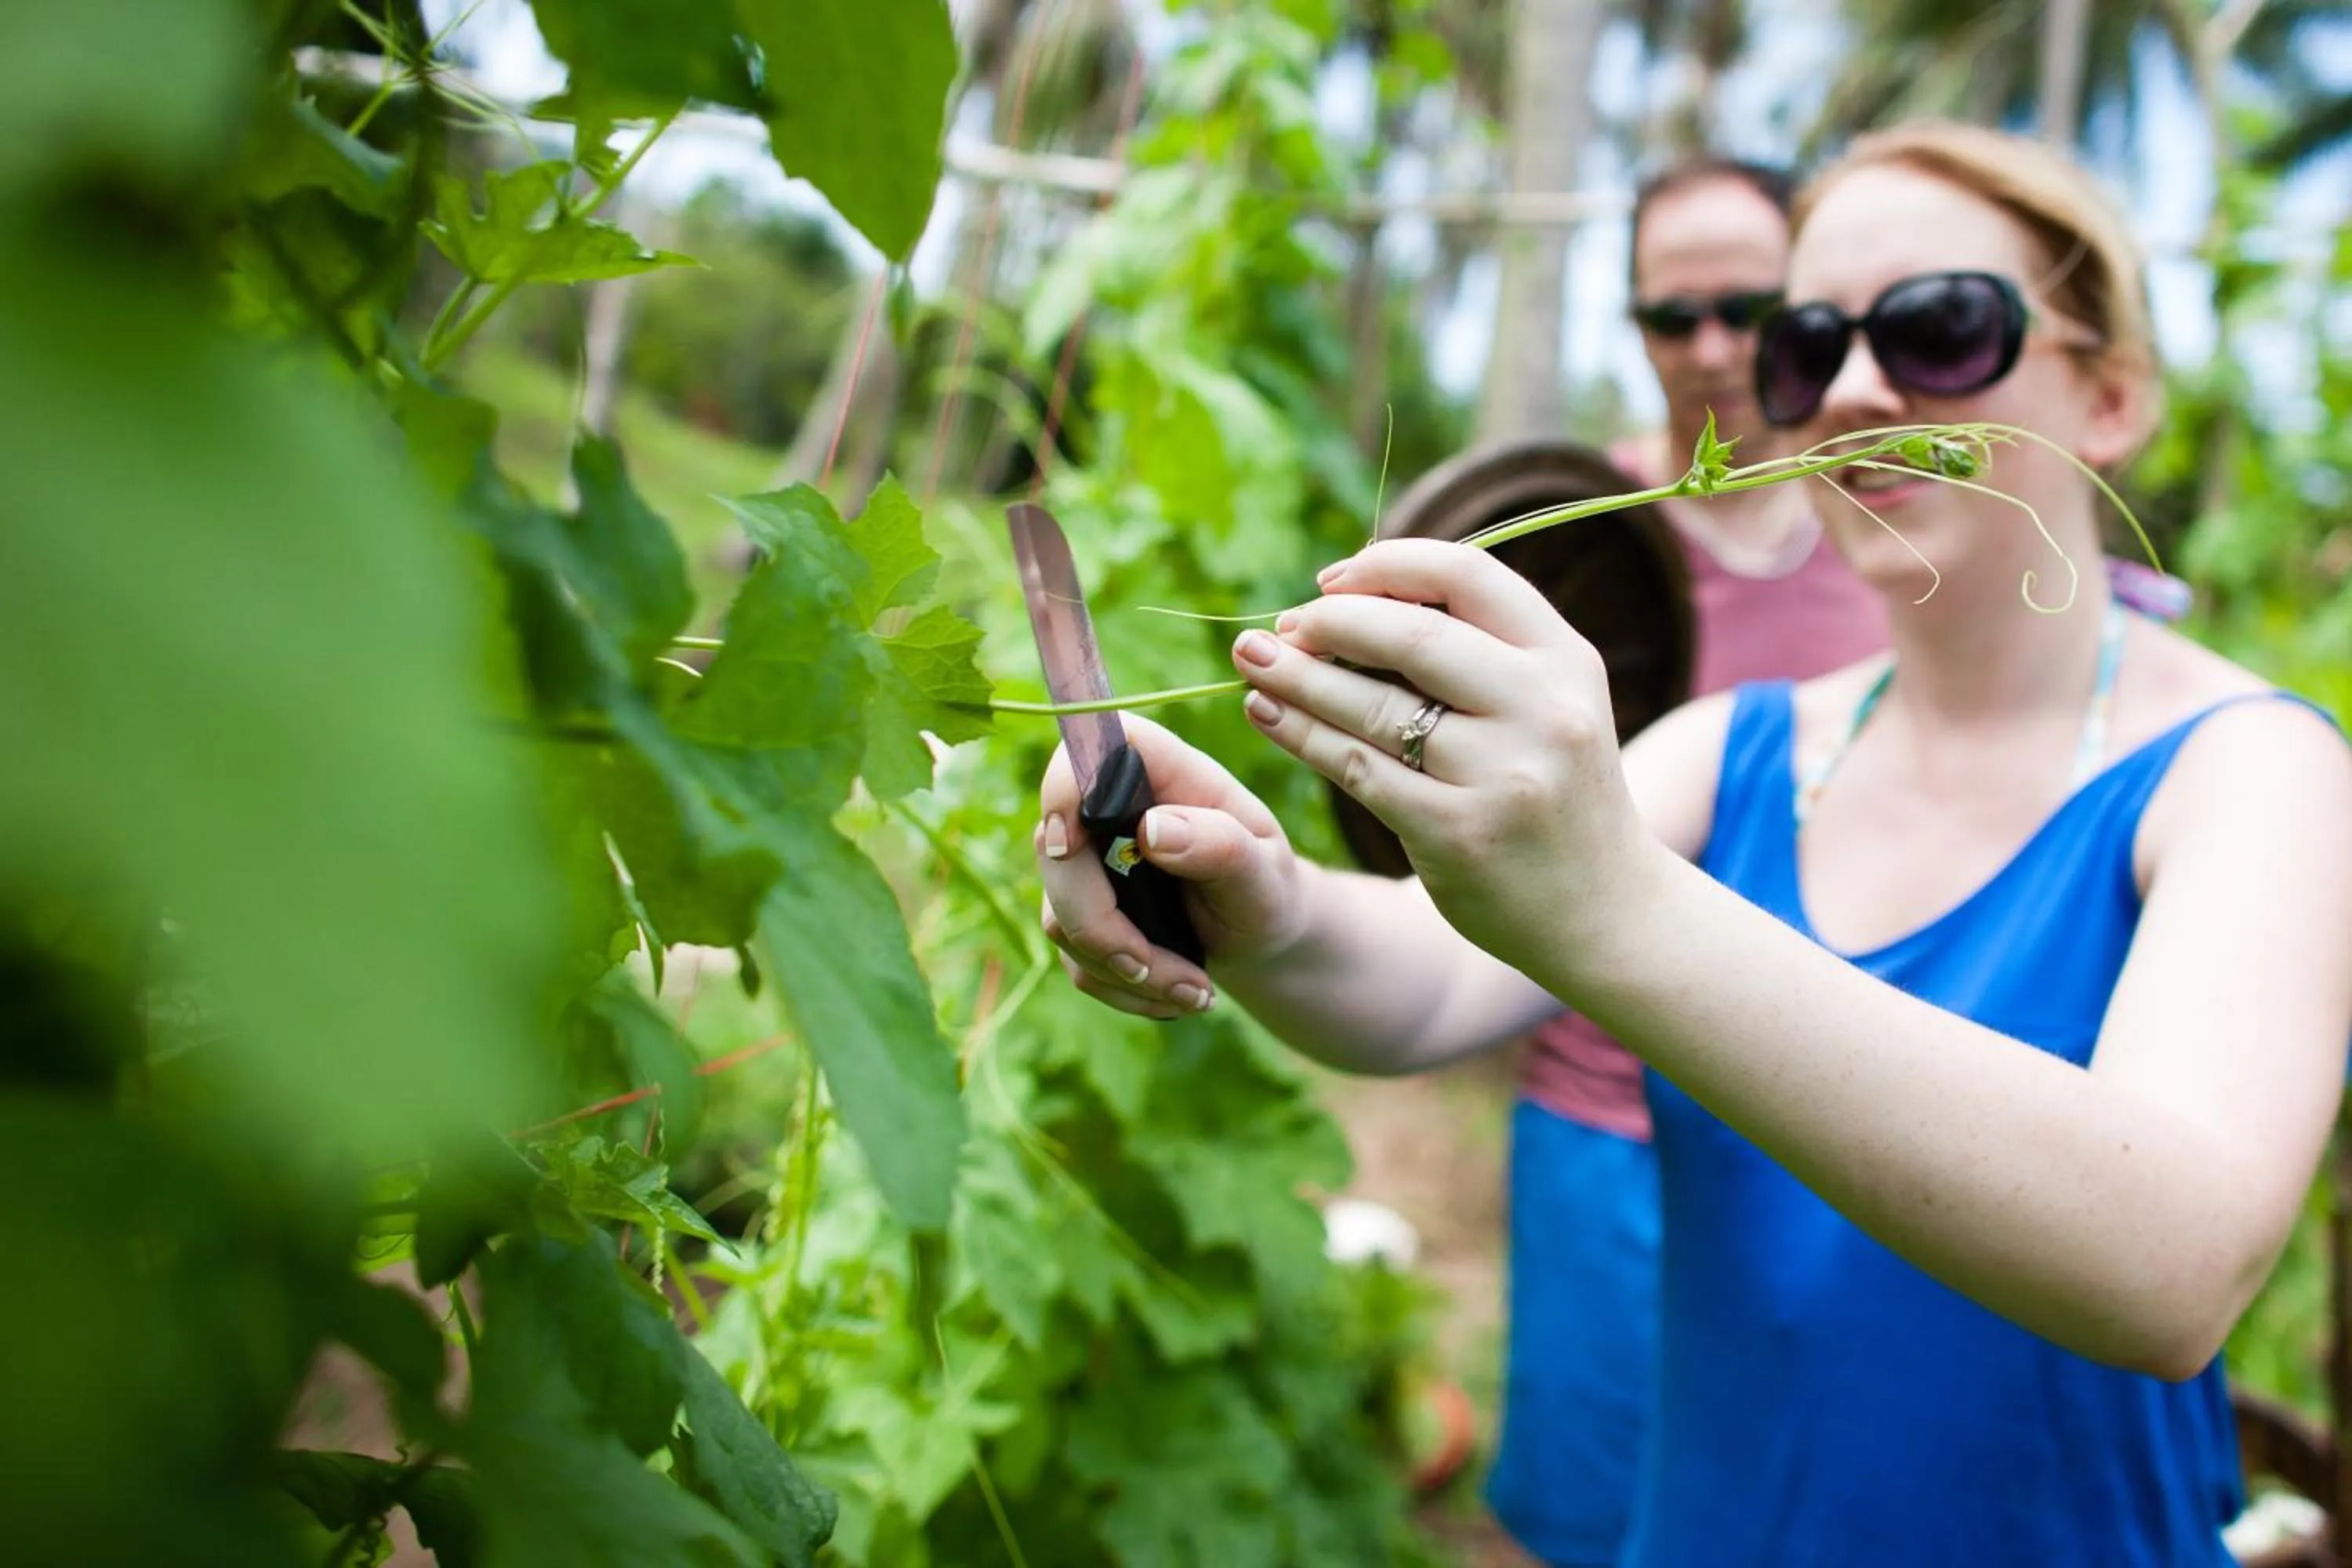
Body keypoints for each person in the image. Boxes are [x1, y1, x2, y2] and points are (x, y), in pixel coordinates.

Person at [1035, 118, 2352, 1564]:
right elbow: (1419, 977)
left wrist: (1613, 903)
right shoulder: (1746, 746)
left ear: (2110, 396)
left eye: (1939, 326)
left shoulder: (2256, 772)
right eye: (1809, 345)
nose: (1852, 388)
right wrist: (1254, 891)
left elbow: (2171, 1262)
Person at [1485, 158, 1888, 1568]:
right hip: (1601, 1110)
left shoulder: (1889, 532)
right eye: (1672, 315)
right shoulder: (1560, 536)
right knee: (1593, 1505)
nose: (1710, 347)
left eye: (1747, 307)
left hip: (1836, 1123)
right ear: (1636, 326)